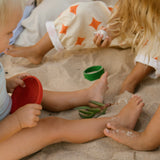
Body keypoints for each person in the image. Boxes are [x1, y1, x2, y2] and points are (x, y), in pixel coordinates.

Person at [0, 1, 145, 159]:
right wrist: (18, 121)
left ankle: (87, 96)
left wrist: (7, 82)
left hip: (5, 112)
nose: (12, 37)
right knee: (53, 126)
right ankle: (116, 123)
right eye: (8, 33)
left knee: (38, 93)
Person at [6, 0, 160, 95]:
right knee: (82, 11)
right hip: (133, 27)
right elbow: (122, 15)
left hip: (154, 34)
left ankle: (130, 82)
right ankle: (38, 50)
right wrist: (108, 32)